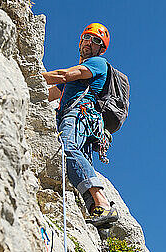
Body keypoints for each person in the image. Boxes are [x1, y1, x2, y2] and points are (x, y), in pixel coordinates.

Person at [42, 23, 119, 227]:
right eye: (87, 37)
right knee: (77, 158)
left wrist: (28, 73)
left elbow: (63, 75)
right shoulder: (76, 80)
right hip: (80, 119)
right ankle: (98, 211)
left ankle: (103, 203)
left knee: (66, 147)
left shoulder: (97, 63)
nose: (89, 42)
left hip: (79, 114)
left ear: (101, 48)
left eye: (96, 41)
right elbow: (50, 93)